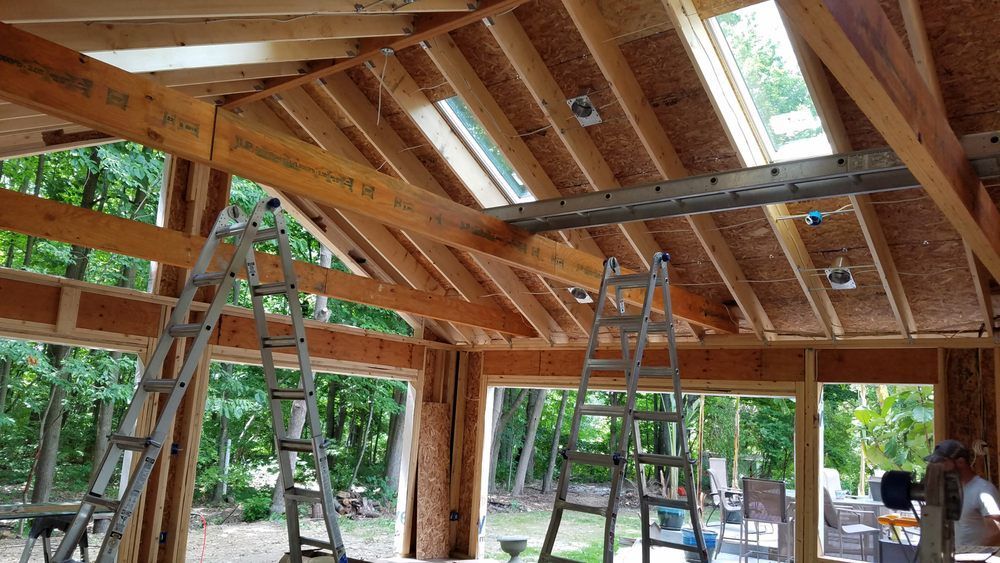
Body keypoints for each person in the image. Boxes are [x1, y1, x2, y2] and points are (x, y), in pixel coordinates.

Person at [925, 439, 1000, 546]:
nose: (939, 467)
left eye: (943, 462)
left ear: (961, 462)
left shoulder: (983, 490)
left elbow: (997, 531)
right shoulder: (949, 490)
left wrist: (975, 558)